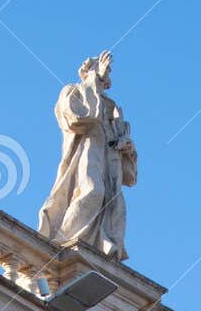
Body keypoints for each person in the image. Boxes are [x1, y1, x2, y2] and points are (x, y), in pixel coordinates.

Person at [38, 51, 136, 262]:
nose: (104, 75)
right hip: (87, 153)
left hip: (110, 162)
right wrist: (95, 79)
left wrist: (126, 145)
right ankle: (61, 243)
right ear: (88, 73)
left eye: (106, 72)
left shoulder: (114, 110)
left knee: (114, 204)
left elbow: (131, 175)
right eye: (100, 70)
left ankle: (102, 244)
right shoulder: (73, 91)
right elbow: (78, 117)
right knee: (92, 191)